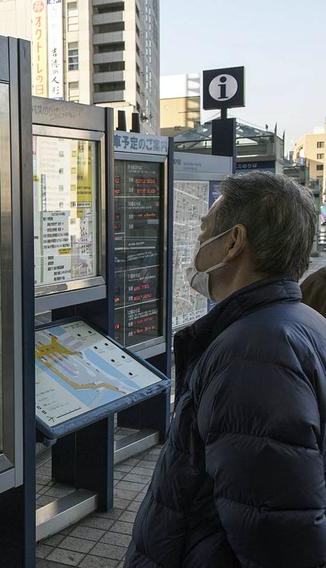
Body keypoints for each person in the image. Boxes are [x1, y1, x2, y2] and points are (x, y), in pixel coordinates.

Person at [126, 172, 326, 567]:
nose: (198, 245)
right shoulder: (297, 321)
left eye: (205, 233)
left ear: (233, 242)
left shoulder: (254, 356)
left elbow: (275, 530)